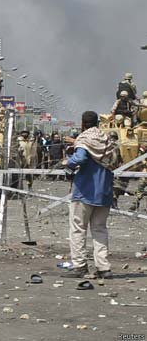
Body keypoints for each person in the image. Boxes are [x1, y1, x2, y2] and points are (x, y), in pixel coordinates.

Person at [61, 111, 116, 279]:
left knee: (78, 229)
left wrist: (68, 162)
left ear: (83, 123)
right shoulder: (105, 139)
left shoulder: (84, 139)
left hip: (85, 191)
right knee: (99, 229)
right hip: (104, 191)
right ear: (98, 123)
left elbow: (81, 158)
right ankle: (103, 267)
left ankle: (80, 266)